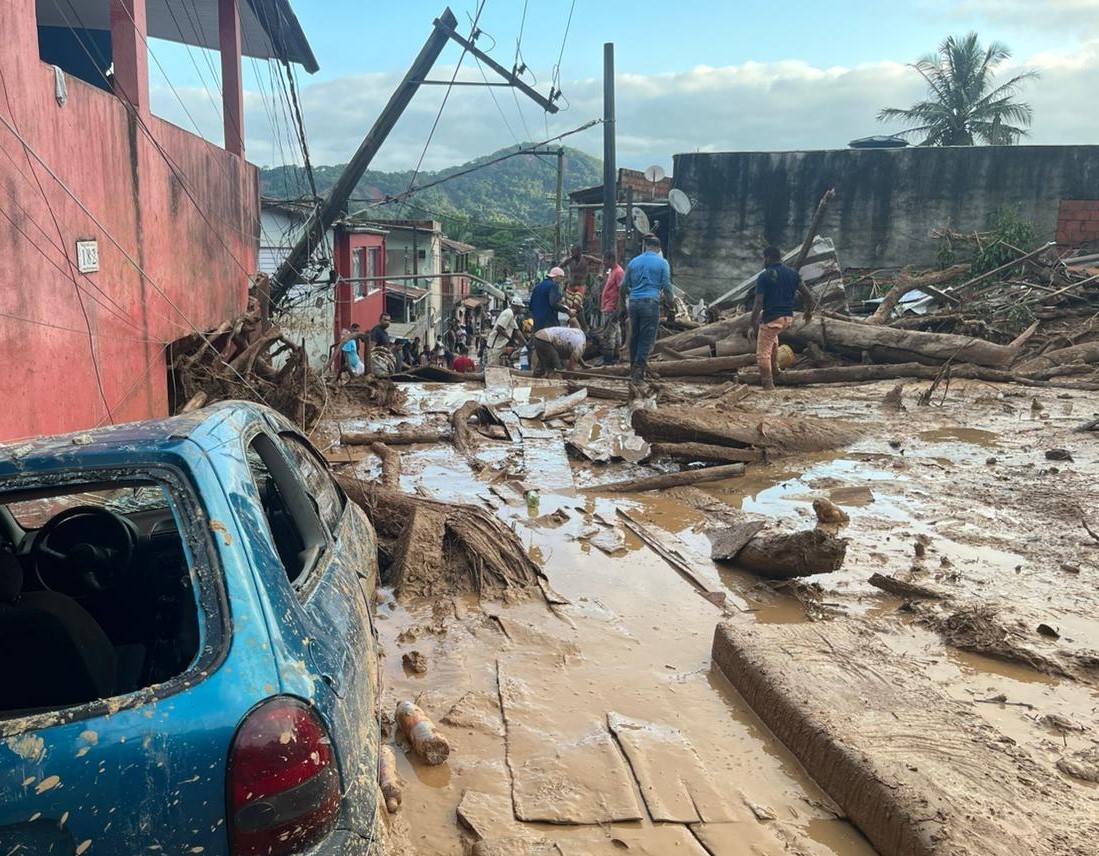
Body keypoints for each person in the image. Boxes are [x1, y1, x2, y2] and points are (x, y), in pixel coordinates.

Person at [750, 245, 815, 390]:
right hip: (787, 318)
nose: (763, 262)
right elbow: (809, 296)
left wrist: (752, 323)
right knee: (772, 339)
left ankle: (767, 384)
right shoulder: (793, 273)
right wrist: (808, 312)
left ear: (768, 258)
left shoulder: (764, 277)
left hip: (771, 318)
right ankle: (776, 371)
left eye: (764, 259)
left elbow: (758, 303)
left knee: (762, 354)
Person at [621, 235, 673, 385]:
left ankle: (633, 370)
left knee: (634, 337)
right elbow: (667, 286)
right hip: (650, 303)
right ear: (658, 248)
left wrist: (622, 305)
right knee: (646, 339)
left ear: (646, 246)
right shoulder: (662, 262)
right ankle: (638, 375)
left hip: (633, 302)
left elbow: (623, 286)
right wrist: (672, 307)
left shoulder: (634, 261)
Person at [558, 244, 601, 323]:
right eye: (571, 252)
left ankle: (584, 325)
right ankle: (574, 323)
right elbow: (559, 267)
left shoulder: (586, 259)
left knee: (577, 304)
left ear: (579, 252)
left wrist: (600, 273)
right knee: (570, 307)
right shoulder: (570, 260)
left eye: (573, 252)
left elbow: (601, 262)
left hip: (581, 286)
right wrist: (562, 277)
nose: (572, 254)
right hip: (571, 286)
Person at [599, 251, 624, 364]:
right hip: (608, 306)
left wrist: (618, 309)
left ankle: (608, 359)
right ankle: (615, 357)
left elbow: (621, 291)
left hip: (612, 307)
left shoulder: (618, 272)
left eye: (604, 260)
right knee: (615, 333)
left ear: (610, 259)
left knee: (608, 334)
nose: (603, 262)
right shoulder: (612, 271)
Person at [486, 298, 527, 366]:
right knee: (493, 367)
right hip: (495, 345)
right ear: (517, 307)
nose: (520, 310)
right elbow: (499, 328)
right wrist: (509, 338)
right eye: (520, 308)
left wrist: (526, 343)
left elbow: (517, 330)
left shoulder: (511, 315)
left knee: (499, 366)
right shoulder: (508, 313)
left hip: (500, 345)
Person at [529, 267, 566, 332]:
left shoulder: (537, 286)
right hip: (549, 322)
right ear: (557, 276)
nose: (562, 280)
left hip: (537, 322)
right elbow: (553, 304)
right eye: (561, 277)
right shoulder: (553, 286)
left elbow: (531, 305)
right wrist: (567, 311)